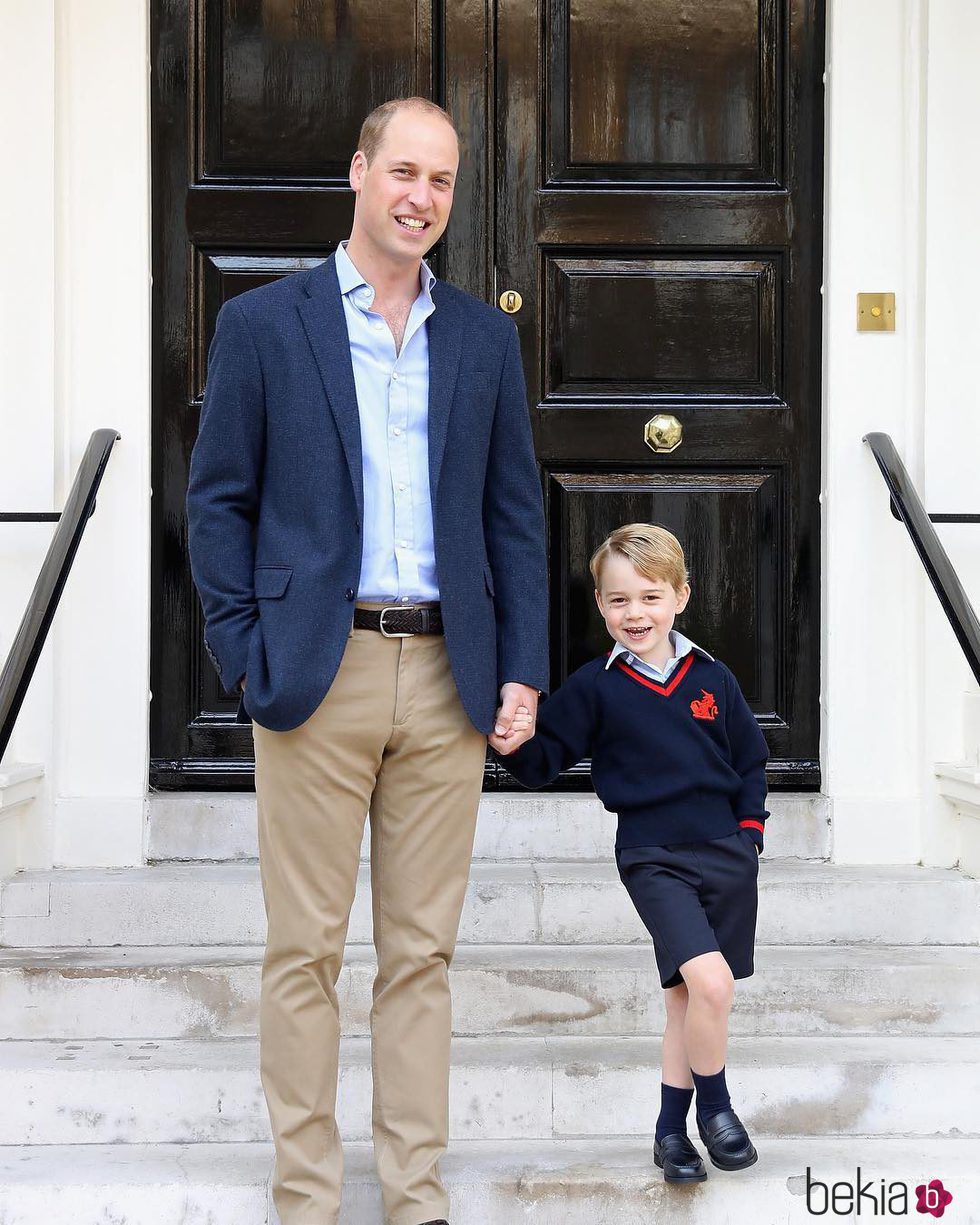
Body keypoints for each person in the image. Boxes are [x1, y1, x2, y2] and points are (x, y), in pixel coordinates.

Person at [186, 97, 548, 1225]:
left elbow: (514, 518)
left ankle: (414, 1197)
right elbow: (216, 503)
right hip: (314, 667)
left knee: (419, 957)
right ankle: (305, 1198)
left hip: (449, 676)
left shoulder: (482, 337)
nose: (419, 198)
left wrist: (522, 671)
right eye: (402, 171)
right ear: (357, 171)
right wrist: (246, 654)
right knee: (303, 953)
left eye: (440, 181)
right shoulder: (264, 324)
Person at [497, 523, 768, 1185]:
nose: (635, 612)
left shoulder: (712, 677)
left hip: (727, 853)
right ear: (599, 604)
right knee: (712, 984)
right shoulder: (595, 686)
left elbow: (751, 761)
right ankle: (719, 1110)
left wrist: (750, 835)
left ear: (681, 594)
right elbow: (542, 762)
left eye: (650, 596)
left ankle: (669, 1132)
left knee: (686, 999)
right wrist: (507, 740)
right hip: (653, 855)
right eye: (619, 600)